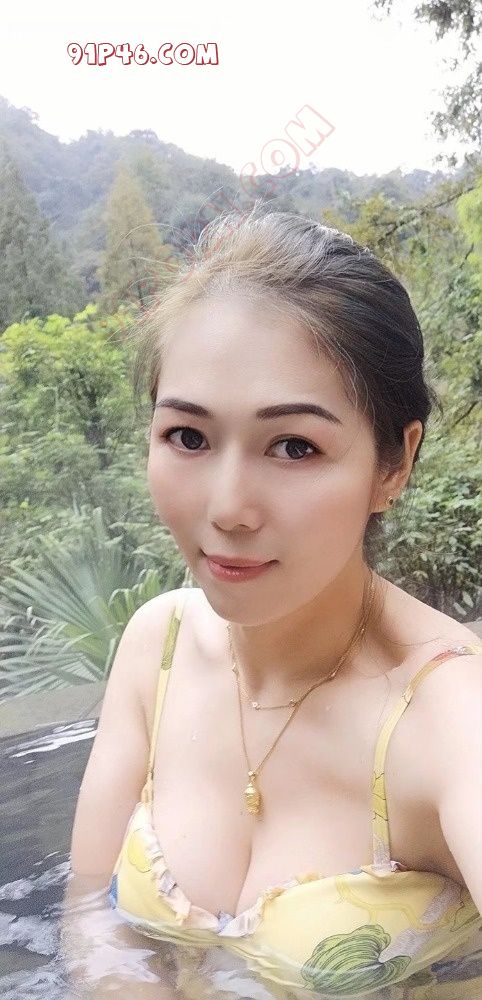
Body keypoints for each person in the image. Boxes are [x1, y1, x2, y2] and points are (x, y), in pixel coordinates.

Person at [68, 207, 482, 999]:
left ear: (394, 465)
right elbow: (92, 915)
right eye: (188, 437)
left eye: (295, 446)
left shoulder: (448, 717)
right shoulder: (158, 649)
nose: (227, 508)